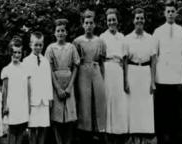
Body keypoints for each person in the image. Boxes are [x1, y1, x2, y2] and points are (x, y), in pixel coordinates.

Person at [153, 1, 182, 144]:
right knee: (162, 109)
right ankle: (162, 137)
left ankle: (175, 137)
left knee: (176, 109)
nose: (171, 14)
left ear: (176, 13)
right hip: (162, 77)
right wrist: (155, 77)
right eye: (168, 11)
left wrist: (181, 71)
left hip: (176, 76)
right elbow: (154, 54)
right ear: (164, 13)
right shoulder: (158, 31)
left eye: (173, 11)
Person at [73, 9, 107, 144]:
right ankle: (84, 133)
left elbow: (102, 62)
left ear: (94, 25)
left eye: (91, 23)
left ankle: (98, 132)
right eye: (86, 23)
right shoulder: (77, 41)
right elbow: (75, 63)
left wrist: (103, 77)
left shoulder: (100, 41)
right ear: (83, 24)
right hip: (83, 71)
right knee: (84, 101)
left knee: (98, 100)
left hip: (96, 69)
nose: (88, 25)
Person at [45, 18, 80, 144]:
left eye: (62, 30)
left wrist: (70, 86)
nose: (60, 33)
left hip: (69, 82)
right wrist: (58, 88)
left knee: (70, 118)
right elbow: (48, 69)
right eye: (58, 31)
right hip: (56, 83)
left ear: (66, 33)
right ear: (54, 33)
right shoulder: (50, 48)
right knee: (57, 117)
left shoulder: (71, 47)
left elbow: (76, 66)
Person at [124, 8, 156, 144]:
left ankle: (145, 138)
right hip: (132, 71)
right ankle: (134, 138)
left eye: (141, 18)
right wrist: (125, 80)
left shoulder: (150, 38)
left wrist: (153, 81)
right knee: (133, 105)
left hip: (145, 71)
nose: (139, 21)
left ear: (144, 20)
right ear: (133, 20)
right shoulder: (127, 38)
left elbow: (154, 60)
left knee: (145, 105)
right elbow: (124, 60)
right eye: (137, 18)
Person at [99, 8, 128, 144]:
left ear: (117, 21)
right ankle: (107, 136)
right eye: (109, 20)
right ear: (106, 22)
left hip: (119, 70)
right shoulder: (102, 37)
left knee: (119, 103)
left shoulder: (122, 37)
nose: (111, 22)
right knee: (107, 102)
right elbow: (99, 59)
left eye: (113, 20)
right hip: (107, 70)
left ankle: (119, 134)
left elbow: (125, 59)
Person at [23, 31, 53, 144]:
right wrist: (26, 101)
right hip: (32, 101)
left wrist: (50, 99)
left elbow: (48, 81)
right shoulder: (26, 61)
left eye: (40, 45)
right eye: (36, 44)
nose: (38, 47)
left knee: (42, 128)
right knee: (32, 129)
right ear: (30, 44)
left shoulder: (45, 61)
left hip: (44, 101)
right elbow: (25, 83)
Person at [1, 36, 29, 144]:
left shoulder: (24, 68)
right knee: (12, 132)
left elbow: (26, 87)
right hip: (12, 105)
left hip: (22, 105)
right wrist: (4, 106)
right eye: (14, 52)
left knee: (21, 131)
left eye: (19, 52)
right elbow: (5, 89)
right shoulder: (6, 69)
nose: (17, 55)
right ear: (10, 52)